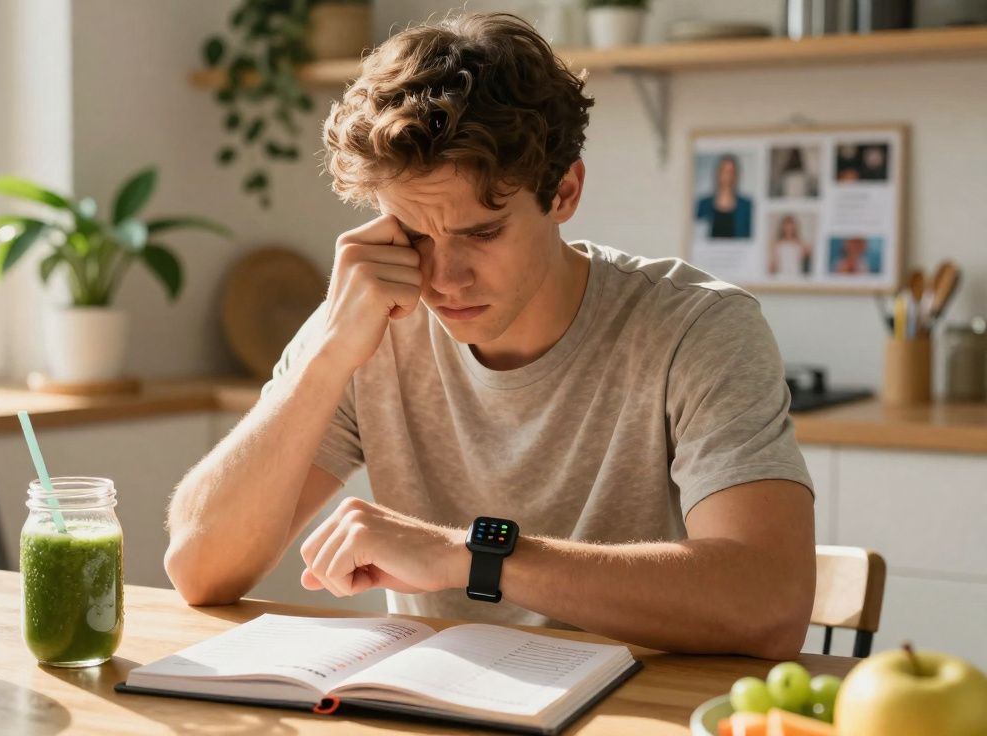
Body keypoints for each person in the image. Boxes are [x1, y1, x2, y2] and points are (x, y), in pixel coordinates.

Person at [165, 13, 815, 660]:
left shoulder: (695, 329)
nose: (443, 279)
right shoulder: (366, 324)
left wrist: (470, 555)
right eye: (415, 235)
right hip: (439, 709)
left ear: (564, 192)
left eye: (481, 233)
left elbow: (768, 604)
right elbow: (199, 567)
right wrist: (327, 356)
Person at [695, 155, 754, 239]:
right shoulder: (703, 204)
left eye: (731, 171)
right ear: (717, 174)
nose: (727, 176)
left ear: (736, 175)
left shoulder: (746, 206)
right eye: (724, 171)